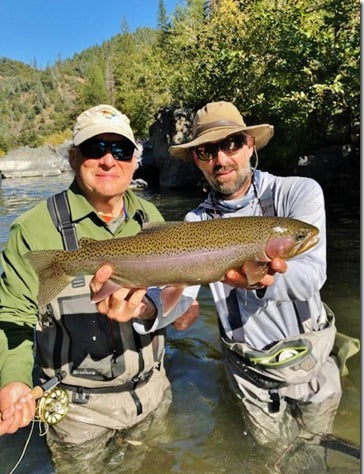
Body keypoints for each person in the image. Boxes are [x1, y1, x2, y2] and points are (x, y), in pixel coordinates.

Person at [0, 104, 198, 447]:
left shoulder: (150, 217)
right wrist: (14, 381)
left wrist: (157, 310)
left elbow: (173, 303)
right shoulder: (33, 230)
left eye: (120, 150)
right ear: (74, 157)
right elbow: (13, 316)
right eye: (96, 149)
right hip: (77, 415)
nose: (109, 160)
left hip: (151, 394)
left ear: (134, 160)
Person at [167, 100, 343, 447]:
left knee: (318, 448)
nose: (221, 160)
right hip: (248, 372)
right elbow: (176, 297)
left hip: (314, 359)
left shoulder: (298, 192)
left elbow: (313, 274)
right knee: (272, 459)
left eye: (231, 144)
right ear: (197, 161)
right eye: (206, 151)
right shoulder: (194, 225)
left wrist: (265, 282)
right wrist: (160, 312)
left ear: (250, 145)